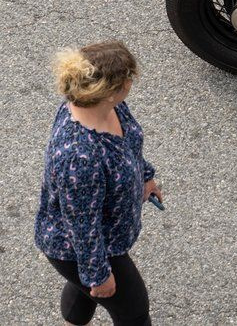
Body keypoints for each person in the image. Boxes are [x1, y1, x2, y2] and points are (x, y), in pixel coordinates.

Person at [34, 40, 162, 326]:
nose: (131, 82)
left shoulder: (108, 106)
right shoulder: (79, 156)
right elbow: (82, 226)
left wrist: (146, 176)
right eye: (128, 78)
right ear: (110, 91)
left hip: (104, 234)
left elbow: (130, 144)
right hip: (81, 246)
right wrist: (98, 275)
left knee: (83, 293)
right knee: (134, 312)